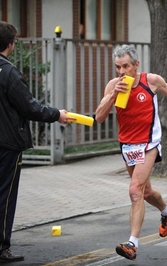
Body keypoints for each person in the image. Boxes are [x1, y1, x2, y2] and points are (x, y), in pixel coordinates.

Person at [95, 45, 167, 261]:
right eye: (118, 67)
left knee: (135, 190)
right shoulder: (113, 85)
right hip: (127, 144)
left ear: (136, 65)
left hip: (148, 143)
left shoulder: (150, 80)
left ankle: (132, 244)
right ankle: (166, 211)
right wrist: (112, 95)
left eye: (126, 66)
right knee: (145, 192)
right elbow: (99, 117)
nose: (122, 71)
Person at [0, 21, 70, 261]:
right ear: (10, 44)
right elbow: (30, 107)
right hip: (7, 144)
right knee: (5, 196)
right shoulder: (8, 72)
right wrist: (57, 114)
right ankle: (2, 247)